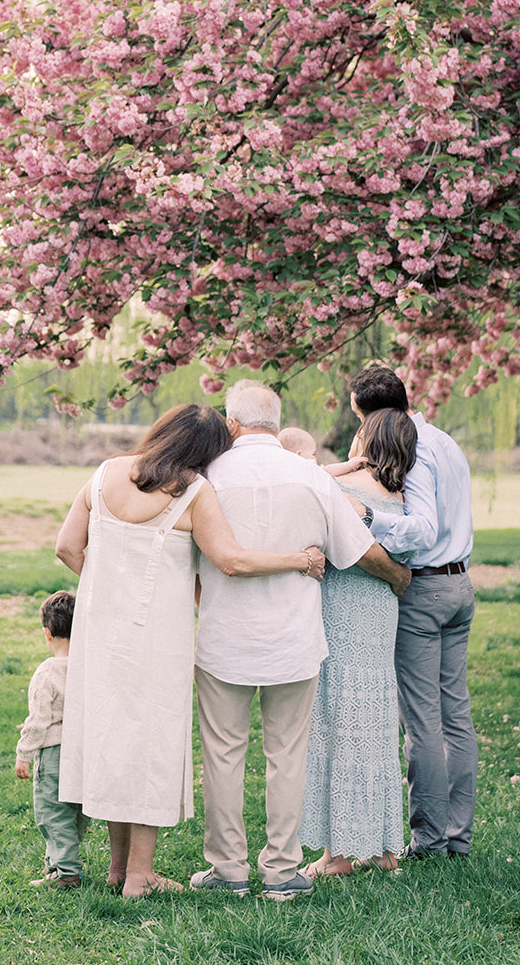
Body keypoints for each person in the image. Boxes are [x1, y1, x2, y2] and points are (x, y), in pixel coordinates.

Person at [54, 404, 327, 898]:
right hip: (157, 639)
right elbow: (232, 560)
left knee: (112, 737)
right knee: (150, 746)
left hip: (100, 635)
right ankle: (139, 875)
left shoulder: (106, 473)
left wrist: (105, 593)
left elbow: (68, 547)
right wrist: (300, 559)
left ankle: (117, 868)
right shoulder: (195, 493)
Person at [190, 380, 412, 901]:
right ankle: (282, 869)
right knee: (286, 753)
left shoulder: (207, 478)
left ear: (232, 423)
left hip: (225, 636)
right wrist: (398, 577)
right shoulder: (310, 477)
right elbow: (359, 549)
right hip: (294, 638)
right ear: (277, 420)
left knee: (223, 753)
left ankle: (228, 868)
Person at [349, 365, 478, 860]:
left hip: (424, 591)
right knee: (455, 716)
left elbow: (423, 529)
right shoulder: (443, 439)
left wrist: (369, 518)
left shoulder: (415, 449)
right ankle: (457, 840)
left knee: (424, 721)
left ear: (371, 413)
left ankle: (428, 842)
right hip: (460, 585)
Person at [300, 408, 418, 878]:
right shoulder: (404, 501)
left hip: (340, 612)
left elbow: (298, 478)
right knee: (374, 724)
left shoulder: (340, 490)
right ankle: (385, 846)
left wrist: (338, 470)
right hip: (380, 616)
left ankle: (338, 855)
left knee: (338, 722)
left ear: (365, 441)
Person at [14, 591, 87, 890]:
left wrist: (24, 754)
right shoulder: (89, 667)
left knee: (51, 813)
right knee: (75, 813)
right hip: (84, 751)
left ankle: (68, 873)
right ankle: (55, 866)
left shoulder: (47, 673)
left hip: (54, 752)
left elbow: (38, 720)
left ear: (47, 633)